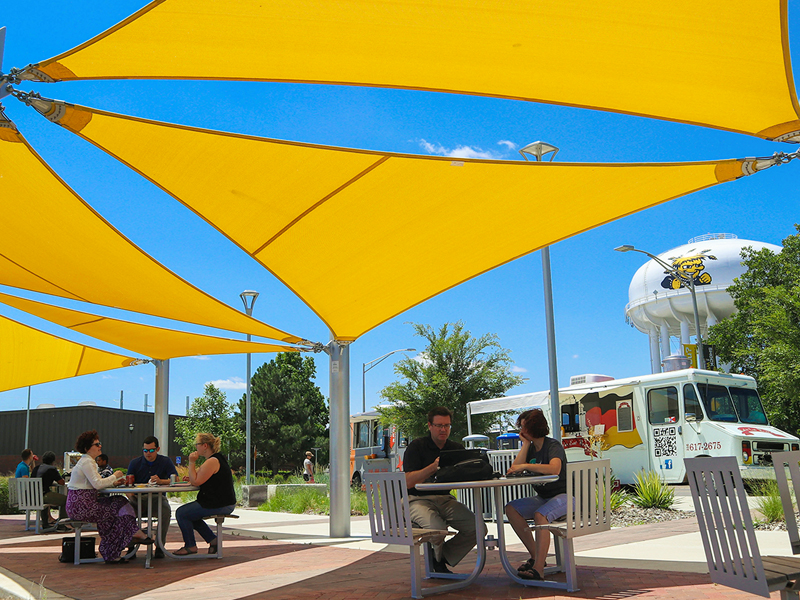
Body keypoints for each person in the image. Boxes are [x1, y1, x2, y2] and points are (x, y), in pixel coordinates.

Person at [403, 407, 485, 573]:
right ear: (429, 426)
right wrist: (431, 469)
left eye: (447, 426)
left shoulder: (455, 448)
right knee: (438, 529)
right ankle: (438, 564)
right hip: (417, 500)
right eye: (439, 425)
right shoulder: (416, 446)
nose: (443, 429)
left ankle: (439, 559)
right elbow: (407, 482)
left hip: (445, 499)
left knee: (478, 528)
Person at [66, 430, 153, 563]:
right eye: (96, 444)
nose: (100, 446)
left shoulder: (86, 462)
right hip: (82, 506)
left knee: (115, 509)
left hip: (79, 505)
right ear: (87, 448)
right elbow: (97, 484)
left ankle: (114, 550)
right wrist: (115, 476)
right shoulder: (88, 462)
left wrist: (114, 482)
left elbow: (97, 482)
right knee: (120, 504)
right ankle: (131, 534)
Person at [504, 408, 568, 581]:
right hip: (544, 497)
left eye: (523, 427)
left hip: (565, 497)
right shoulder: (531, 448)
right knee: (511, 509)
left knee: (541, 515)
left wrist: (527, 466)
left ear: (533, 428)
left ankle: (538, 569)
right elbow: (513, 470)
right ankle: (536, 557)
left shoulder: (552, 446)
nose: (521, 431)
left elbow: (555, 469)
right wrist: (525, 445)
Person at [174, 433, 236, 555]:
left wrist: (191, 463)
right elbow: (197, 477)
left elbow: (196, 481)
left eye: (197, 444)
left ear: (205, 446)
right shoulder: (216, 459)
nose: (196, 447)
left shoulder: (212, 461)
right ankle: (213, 540)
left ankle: (190, 546)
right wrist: (191, 476)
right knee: (190, 515)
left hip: (219, 503)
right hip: (223, 502)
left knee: (181, 513)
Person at [127, 436, 178, 558]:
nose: (148, 453)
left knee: (165, 511)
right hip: (137, 499)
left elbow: (175, 479)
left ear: (157, 449)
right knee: (125, 512)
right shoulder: (135, 463)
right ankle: (130, 546)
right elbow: (128, 484)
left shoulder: (165, 461)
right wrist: (130, 494)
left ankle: (160, 546)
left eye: (151, 450)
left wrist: (161, 481)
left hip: (157, 498)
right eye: (145, 450)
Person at [31, 451, 69, 529]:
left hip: (31, 497)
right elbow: (61, 482)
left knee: (45, 498)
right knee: (66, 500)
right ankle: (61, 525)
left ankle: (45, 524)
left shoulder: (36, 468)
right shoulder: (52, 469)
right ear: (53, 461)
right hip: (43, 495)